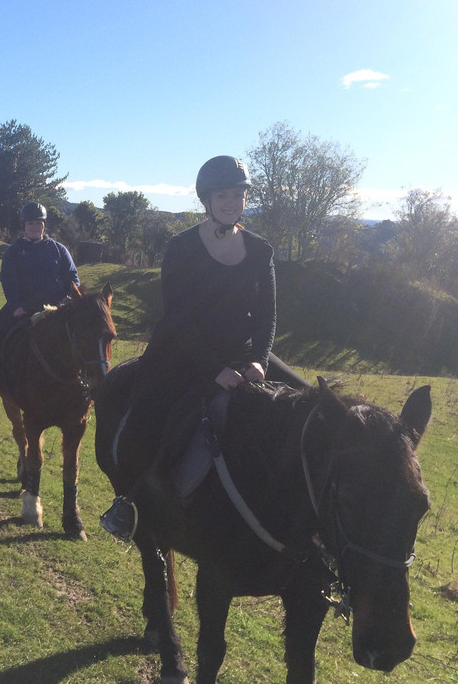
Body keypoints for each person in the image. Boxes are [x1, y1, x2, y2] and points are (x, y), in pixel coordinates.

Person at [99, 155, 309, 541]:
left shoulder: (261, 251)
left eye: (238, 194)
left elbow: (266, 316)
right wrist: (215, 369)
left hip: (243, 354)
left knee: (311, 402)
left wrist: (260, 362)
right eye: (223, 194)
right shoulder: (181, 248)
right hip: (181, 353)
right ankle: (128, 502)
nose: (232, 202)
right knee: (149, 417)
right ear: (207, 200)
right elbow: (178, 317)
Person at [0, 201, 80, 396]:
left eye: (38, 223)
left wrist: (67, 299)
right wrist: (15, 305)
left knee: (85, 332)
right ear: (24, 226)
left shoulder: (59, 249)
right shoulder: (14, 252)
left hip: (58, 306)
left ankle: (86, 377)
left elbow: (73, 277)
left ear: (44, 226)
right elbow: (8, 280)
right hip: (24, 306)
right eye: (30, 223)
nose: (34, 227)